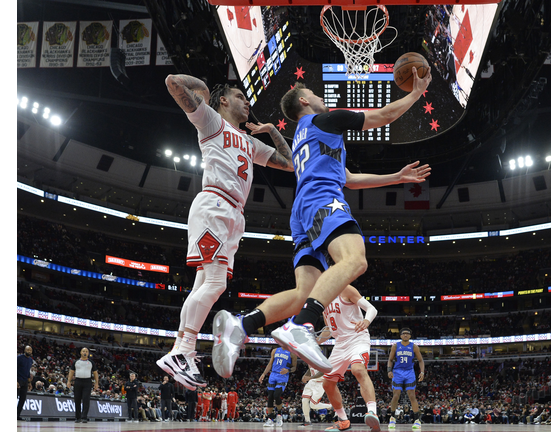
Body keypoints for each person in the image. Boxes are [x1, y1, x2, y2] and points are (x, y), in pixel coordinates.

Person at [211, 68, 433, 377]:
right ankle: (303, 325)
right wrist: (415, 93)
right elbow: (383, 116)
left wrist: (397, 177)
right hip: (322, 200)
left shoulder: (307, 136)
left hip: (303, 210)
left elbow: (350, 179)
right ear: (304, 101)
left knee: (305, 293)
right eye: (315, 94)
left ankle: (242, 324)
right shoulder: (325, 121)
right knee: (355, 260)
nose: (321, 97)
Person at [155, 74, 294, 389]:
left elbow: (289, 163)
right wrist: (202, 87)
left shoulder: (250, 142)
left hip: (233, 214)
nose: (247, 102)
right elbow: (173, 83)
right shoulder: (211, 120)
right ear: (223, 101)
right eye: (241, 96)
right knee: (215, 283)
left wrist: (272, 130)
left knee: (203, 284)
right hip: (215, 204)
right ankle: (181, 350)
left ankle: (183, 351)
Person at [319, 285, 380, 432]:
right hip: (340, 343)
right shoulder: (322, 300)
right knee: (327, 383)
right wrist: (314, 341)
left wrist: (366, 321)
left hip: (357, 337)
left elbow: (372, 308)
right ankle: (343, 421)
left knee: (358, 369)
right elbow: (329, 330)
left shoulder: (345, 289)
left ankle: (372, 412)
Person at [386, 328, 425, 430]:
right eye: (404, 333)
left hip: (409, 372)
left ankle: (417, 420)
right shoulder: (395, 346)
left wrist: (422, 372)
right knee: (396, 395)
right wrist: (389, 370)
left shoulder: (414, 347)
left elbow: (421, 360)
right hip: (397, 372)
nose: (406, 335)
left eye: (408, 333)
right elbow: (390, 359)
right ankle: (392, 418)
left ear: (410, 336)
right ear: (400, 336)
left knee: (412, 395)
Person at [260, 346, 297, 427]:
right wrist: (263, 374)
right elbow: (270, 363)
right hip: (273, 374)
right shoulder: (275, 350)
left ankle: (279, 415)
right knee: (270, 397)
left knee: (277, 395)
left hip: (282, 376)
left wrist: (288, 370)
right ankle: (270, 419)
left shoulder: (292, 353)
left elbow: (294, 367)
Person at [66, 347, 99, 424]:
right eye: (83, 351)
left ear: (88, 353)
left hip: (87, 382)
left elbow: (95, 373)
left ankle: (84, 417)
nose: (85, 352)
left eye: (86, 351)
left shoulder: (91, 362)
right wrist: (68, 381)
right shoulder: (76, 362)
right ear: (81, 352)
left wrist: (97, 383)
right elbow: (71, 372)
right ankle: (78, 417)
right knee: (77, 400)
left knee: (86, 399)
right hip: (78, 381)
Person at [17, 345, 35, 421]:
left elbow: (27, 372)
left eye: (30, 350)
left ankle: (17, 415)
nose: (29, 351)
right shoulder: (19, 358)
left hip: (25, 381)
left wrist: (29, 382)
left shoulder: (30, 360)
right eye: (28, 350)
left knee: (22, 399)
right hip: (18, 380)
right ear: (24, 350)